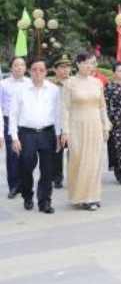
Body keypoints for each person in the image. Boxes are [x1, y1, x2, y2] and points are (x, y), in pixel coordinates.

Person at [9, 57, 61, 214]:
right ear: (29, 71)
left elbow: (57, 114)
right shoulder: (20, 90)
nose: (38, 72)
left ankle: (44, 201)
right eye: (34, 69)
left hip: (47, 133)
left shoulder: (53, 89)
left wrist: (58, 135)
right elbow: (13, 115)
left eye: (41, 69)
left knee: (47, 170)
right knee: (26, 168)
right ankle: (27, 196)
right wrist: (15, 138)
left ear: (46, 72)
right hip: (27, 134)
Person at [61, 52, 111, 211]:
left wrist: (106, 124)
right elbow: (65, 109)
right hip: (76, 125)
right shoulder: (69, 83)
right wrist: (66, 131)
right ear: (78, 64)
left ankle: (92, 196)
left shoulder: (97, 83)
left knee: (94, 160)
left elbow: (102, 105)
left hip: (95, 124)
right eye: (87, 63)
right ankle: (78, 196)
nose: (90, 66)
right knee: (77, 159)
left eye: (93, 63)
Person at [0, 56, 28, 199]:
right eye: (16, 65)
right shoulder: (3, 84)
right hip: (8, 122)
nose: (19, 68)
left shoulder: (30, 83)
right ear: (11, 67)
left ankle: (25, 185)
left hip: (25, 123)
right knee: (12, 156)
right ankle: (14, 186)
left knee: (26, 155)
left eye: (22, 65)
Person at [50, 54, 72, 189]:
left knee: (73, 151)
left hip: (72, 122)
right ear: (55, 69)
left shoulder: (74, 83)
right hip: (56, 123)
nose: (66, 70)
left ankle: (73, 176)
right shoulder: (50, 85)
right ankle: (57, 178)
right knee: (56, 152)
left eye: (68, 67)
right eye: (62, 67)